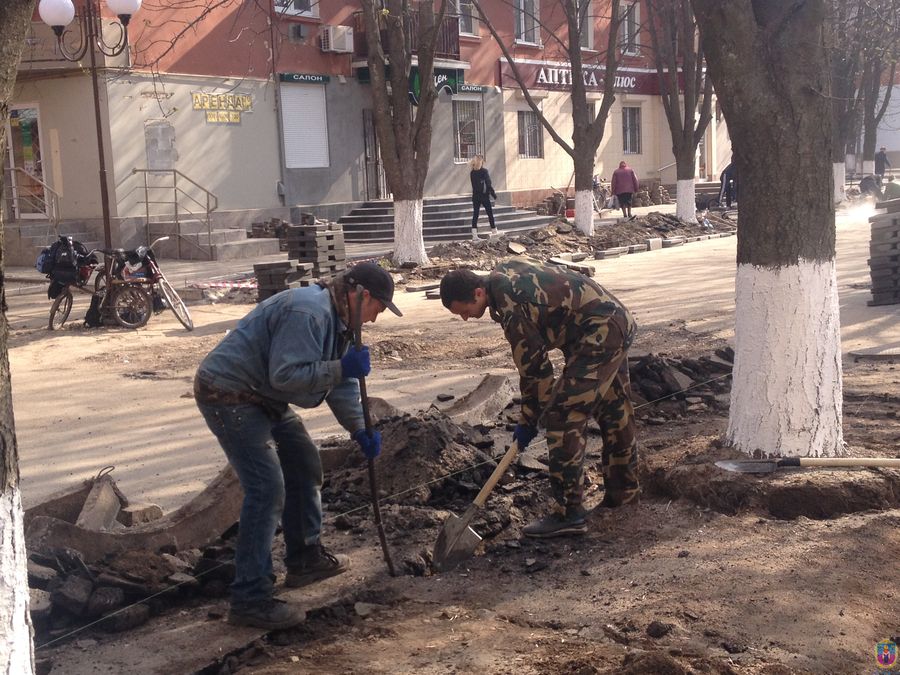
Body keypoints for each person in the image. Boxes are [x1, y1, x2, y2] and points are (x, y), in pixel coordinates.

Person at [194, 262, 402, 630]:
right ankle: (250, 598)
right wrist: (342, 369)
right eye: (378, 309)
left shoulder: (341, 321)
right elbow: (286, 375)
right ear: (361, 295)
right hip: (228, 393)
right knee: (266, 487)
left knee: (305, 463)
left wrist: (359, 428)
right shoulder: (309, 312)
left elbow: (340, 384)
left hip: (262, 395)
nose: (374, 319)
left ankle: (305, 560)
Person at [439, 260, 640, 538]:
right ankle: (624, 492)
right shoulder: (503, 275)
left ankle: (569, 513)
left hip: (599, 334)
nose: (465, 318)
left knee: (562, 414)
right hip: (613, 323)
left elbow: (535, 371)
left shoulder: (510, 304)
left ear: (477, 293)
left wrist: (529, 420)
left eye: (465, 311)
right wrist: (531, 415)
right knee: (614, 407)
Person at [470, 154, 498, 240]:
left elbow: (475, 185)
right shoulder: (484, 171)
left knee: (476, 214)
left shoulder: (472, 173)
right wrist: (494, 195)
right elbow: (488, 184)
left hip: (475, 196)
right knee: (489, 213)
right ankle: (494, 231)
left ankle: (474, 235)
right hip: (484, 196)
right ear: (481, 162)